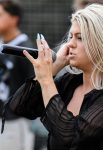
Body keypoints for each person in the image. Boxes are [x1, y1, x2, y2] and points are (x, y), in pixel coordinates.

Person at [4, 4, 103, 150]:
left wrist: (46, 80)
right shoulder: (69, 82)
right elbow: (19, 107)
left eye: (80, 38)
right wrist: (54, 68)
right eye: (70, 37)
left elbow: (68, 137)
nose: (70, 44)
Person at [0, 1, 34, 150]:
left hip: (15, 122)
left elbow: (34, 88)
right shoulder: (2, 45)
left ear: (14, 18)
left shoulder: (25, 49)